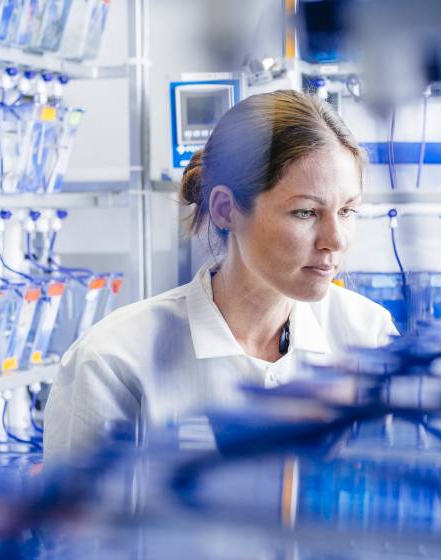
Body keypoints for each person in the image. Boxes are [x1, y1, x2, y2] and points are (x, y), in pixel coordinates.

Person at [44, 90, 398, 460]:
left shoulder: (367, 335)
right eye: (306, 212)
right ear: (226, 209)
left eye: (347, 211)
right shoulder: (114, 361)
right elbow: (79, 517)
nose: (335, 240)